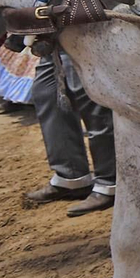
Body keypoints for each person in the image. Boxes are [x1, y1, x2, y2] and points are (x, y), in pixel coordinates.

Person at [21, 50, 116, 216]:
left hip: (81, 32)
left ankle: (110, 183)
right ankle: (71, 177)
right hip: (51, 38)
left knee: (91, 102)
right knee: (47, 93)